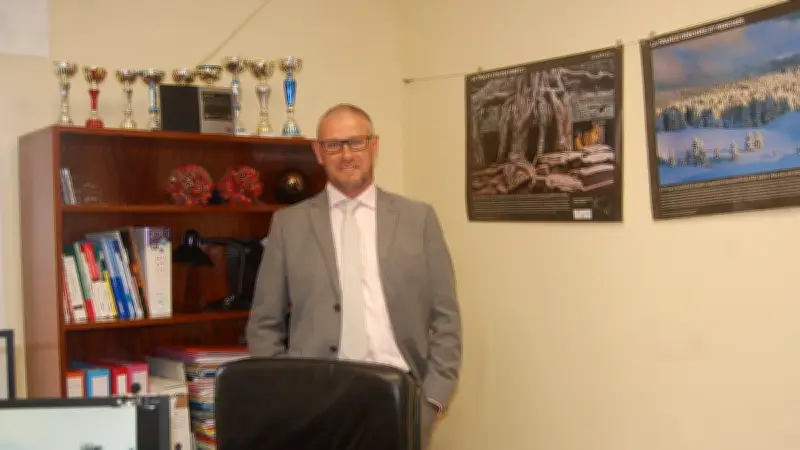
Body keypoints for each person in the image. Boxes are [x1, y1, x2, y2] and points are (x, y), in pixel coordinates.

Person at [246, 103, 462, 449]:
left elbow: (446, 317)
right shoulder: (289, 224)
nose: (346, 155)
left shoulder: (418, 219)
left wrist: (434, 398)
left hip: (399, 397)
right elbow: (264, 322)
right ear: (318, 152)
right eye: (333, 145)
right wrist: (285, 393)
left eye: (356, 142)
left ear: (374, 146)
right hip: (314, 400)